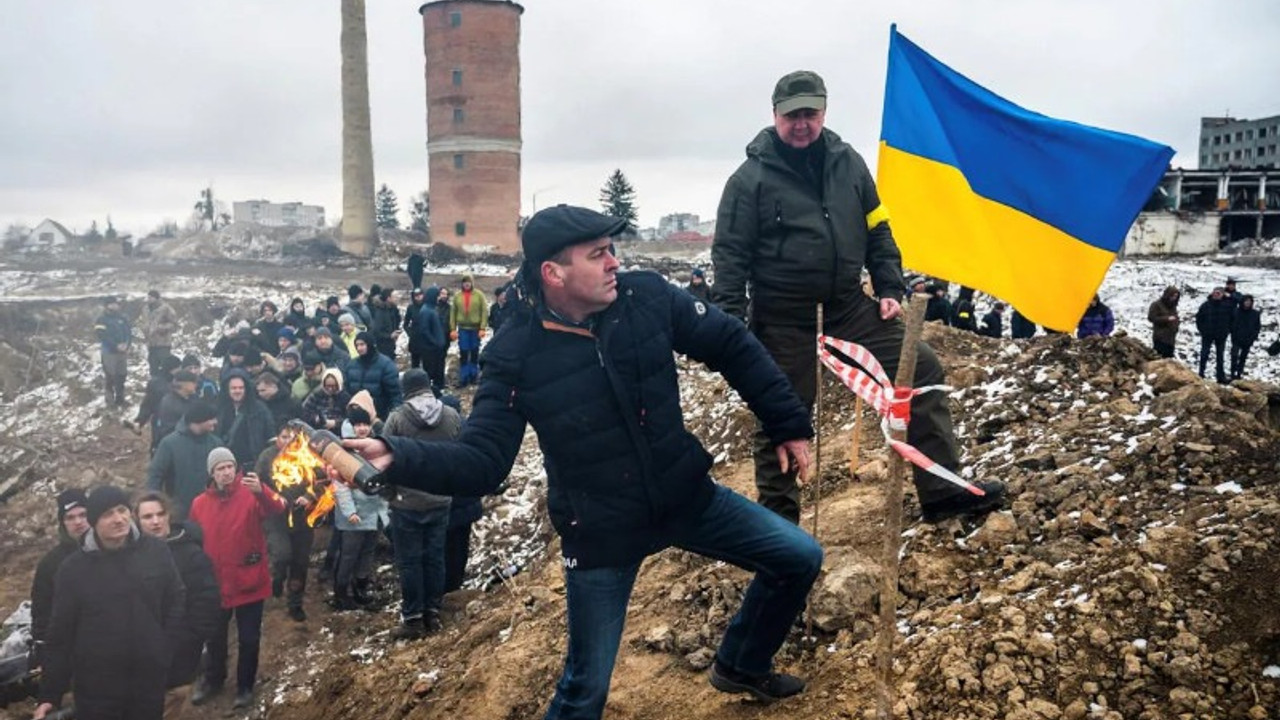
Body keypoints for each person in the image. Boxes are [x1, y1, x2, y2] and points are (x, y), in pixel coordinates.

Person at [347, 205, 825, 717]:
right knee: (585, 690)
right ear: (553, 273)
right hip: (600, 531)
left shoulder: (647, 297)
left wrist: (787, 421)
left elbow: (729, 342)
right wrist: (396, 454)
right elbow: (483, 461)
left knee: (798, 557)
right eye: (598, 254)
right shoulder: (515, 352)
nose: (614, 263)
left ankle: (741, 664)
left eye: (612, 250)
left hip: (684, 495)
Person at [711, 70, 1005, 526]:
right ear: (775, 117)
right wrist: (728, 327)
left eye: (810, 113)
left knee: (920, 368)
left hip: (849, 307)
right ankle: (779, 531)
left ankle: (944, 491)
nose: (802, 123)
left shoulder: (849, 163)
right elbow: (729, 257)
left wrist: (888, 285)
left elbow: (878, 228)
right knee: (779, 413)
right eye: (792, 116)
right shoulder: (748, 181)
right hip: (781, 318)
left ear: (824, 111)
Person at [34, 486, 184, 720]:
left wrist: (162, 647)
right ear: (94, 522)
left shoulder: (155, 551)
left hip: (147, 682)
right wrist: (49, 695)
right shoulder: (73, 570)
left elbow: (175, 599)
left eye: (122, 510)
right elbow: (60, 634)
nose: (118, 519)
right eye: (107, 514)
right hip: (97, 689)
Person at [189, 447, 286, 709]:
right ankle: (213, 680)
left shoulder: (252, 493)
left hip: (249, 580)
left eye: (230, 466)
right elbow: (195, 542)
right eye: (220, 468)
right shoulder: (199, 504)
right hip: (216, 584)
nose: (226, 472)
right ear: (212, 473)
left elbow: (278, 508)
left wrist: (262, 492)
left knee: (249, 638)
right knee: (215, 636)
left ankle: (245, 686)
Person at [381, 369, 460, 638]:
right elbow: (460, 454)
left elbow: (384, 460)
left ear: (406, 390)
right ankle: (433, 613)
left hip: (406, 502)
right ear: (428, 387)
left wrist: (389, 494)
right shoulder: (451, 416)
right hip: (440, 499)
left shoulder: (397, 418)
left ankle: (413, 618)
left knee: (409, 562)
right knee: (435, 558)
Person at [133, 491, 222, 714]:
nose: (155, 521)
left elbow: (207, 605)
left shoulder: (191, 555)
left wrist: (185, 646)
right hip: (138, 667)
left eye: (160, 514)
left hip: (177, 666)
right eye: (147, 517)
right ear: (137, 521)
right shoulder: (129, 557)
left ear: (168, 516)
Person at [255, 426, 317, 623]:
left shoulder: (306, 454)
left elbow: (321, 480)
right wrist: (273, 497)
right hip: (276, 516)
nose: (289, 441)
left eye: (292, 437)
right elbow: (257, 485)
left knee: (300, 561)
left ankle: (295, 603)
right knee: (282, 555)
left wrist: (309, 495)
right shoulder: (267, 457)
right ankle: (277, 577)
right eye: (284, 437)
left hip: (303, 516)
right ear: (276, 438)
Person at [332, 407, 389, 611]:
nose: (362, 429)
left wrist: (385, 509)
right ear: (351, 426)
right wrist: (350, 512)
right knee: (349, 554)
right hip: (354, 515)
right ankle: (341, 592)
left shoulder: (377, 447)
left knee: (367, 551)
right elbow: (339, 486)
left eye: (365, 424)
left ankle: (361, 585)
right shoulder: (343, 453)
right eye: (358, 425)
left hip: (374, 513)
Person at [28, 489, 90, 671]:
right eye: (70, 517)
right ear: (62, 522)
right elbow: (41, 610)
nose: (78, 522)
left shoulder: (109, 551)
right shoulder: (50, 564)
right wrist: (43, 649)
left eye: (83, 515)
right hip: (72, 651)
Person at [147, 400, 223, 520]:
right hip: (180, 512)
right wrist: (154, 504)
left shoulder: (216, 443)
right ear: (199, 419)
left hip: (212, 510)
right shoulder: (169, 444)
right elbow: (155, 475)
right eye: (212, 418)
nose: (216, 422)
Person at [215, 369, 275, 469]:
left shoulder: (260, 409)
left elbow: (270, 435)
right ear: (227, 389)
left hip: (252, 464)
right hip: (225, 465)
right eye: (234, 388)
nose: (237, 391)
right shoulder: (219, 409)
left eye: (241, 388)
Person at [343, 331, 402, 419]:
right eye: (357, 345)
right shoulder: (351, 365)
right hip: (356, 415)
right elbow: (346, 389)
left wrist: (394, 414)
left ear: (369, 344)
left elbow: (395, 393)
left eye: (362, 344)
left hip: (380, 415)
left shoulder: (386, 365)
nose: (359, 348)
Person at [133, 353, 182, 453]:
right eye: (178, 367)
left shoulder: (180, 381)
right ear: (172, 369)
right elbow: (148, 405)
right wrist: (140, 421)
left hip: (177, 422)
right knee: (159, 447)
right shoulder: (157, 384)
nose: (180, 370)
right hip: (160, 423)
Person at [450, 274, 488, 387]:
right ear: (462, 283)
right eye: (464, 282)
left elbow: (484, 311)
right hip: (463, 329)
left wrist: (482, 327)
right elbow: (453, 313)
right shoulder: (457, 296)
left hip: (475, 329)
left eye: (469, 282)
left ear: (472, 283)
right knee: (464, 353)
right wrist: (453, 329)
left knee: (475, 352)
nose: (467, 284)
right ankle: (464, 377)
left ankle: (474, 375)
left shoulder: (479, 295)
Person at [94, 296, 132, 407]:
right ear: (108, 305)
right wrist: (116, 346)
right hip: (109, 352)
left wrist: (127, 345)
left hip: (122, 352)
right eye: (113, 303)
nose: (116, 305)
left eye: (117, 303)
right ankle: (110, 402)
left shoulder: (123, 318)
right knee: (110, 376)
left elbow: (129, 332)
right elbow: (102, 335)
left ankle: (120, 399)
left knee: (122, 375)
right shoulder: (101, 319)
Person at [1195, 287, 1233, 384]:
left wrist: (1227, 330)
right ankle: (1201, 374)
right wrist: (1202, 330)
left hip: (1221, 335)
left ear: (1222, 295)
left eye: (1219, 293)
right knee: (1204, 354)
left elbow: (1232, 319)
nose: (1216, 295)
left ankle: (1220, 376)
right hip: (1207, 334)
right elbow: (1199, 318)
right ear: (1212, 293)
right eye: (1215, 293)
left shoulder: (1227, 306)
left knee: (1220, 356)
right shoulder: (1205, 305)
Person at [415, 286, 449, 391]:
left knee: (438, 371)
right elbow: (424, 331)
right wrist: (435, 342)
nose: (439, 298)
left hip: (437, 349)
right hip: (430, 349)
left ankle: (439, 388)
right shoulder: (426, 311)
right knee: (431, 372)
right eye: (437, 296)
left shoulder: (432, 309)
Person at [140, 290, 179, 377]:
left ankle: (168, 385)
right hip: (151, 344)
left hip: (163, 343)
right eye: (148, 297)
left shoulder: (166, 309)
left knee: (166, 367)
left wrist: (161, 328)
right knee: (153, 369)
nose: (148, 299)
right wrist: (144, 329)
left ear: (156, 298)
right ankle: (155, 387)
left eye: (151, 297)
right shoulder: (145, 309)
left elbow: (174, 324)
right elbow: (144, 322)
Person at [302, 368, 351, 432]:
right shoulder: (316, 395)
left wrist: (336, 423)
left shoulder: (345, 398)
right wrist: (315, 419)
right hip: (316, 431)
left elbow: (350, 418)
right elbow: (305, 412)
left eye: (333, 386)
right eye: (327, 386)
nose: (330, 389)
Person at [1230, 295, 1261, 380]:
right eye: (1246, 301)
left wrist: (1253, 337)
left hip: (1248, 339)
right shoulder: (1236, 311)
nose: (1247, 303)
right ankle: (1232, 373)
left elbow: (1257, 327)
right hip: (1236, 338)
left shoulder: (1255, 314)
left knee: (1243, 357)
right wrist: (1233, 333)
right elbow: (1231, 324)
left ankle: (1239, 373)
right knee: (1234, 356)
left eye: (1249, 301)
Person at [370, 287, 403, 361]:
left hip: (391, 345)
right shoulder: (381, 312)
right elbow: (376, 332)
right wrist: (389, 336)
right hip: (383, 348)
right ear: (389, 298)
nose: (397, 298)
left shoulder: (393, 309)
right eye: (395, 296)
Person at [1148, 285, 1181, 359]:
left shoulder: (1173, 307)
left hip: (1171, 339)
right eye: (1173, 296)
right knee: (1159, 360)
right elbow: (1151, 317)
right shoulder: (1156, 305)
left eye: (1176, 296)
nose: (1174, 298)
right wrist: (1167, 319)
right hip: (1160, 338)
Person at [403, 287, 430, 371]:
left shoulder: (428, 307)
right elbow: (405, 324)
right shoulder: (411, 308)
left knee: (427, 363)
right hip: (415, 340)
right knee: (415, 364)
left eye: (420, 295)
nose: (418, 297)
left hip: (426, 339)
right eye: (416, 296)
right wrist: (410, 333)